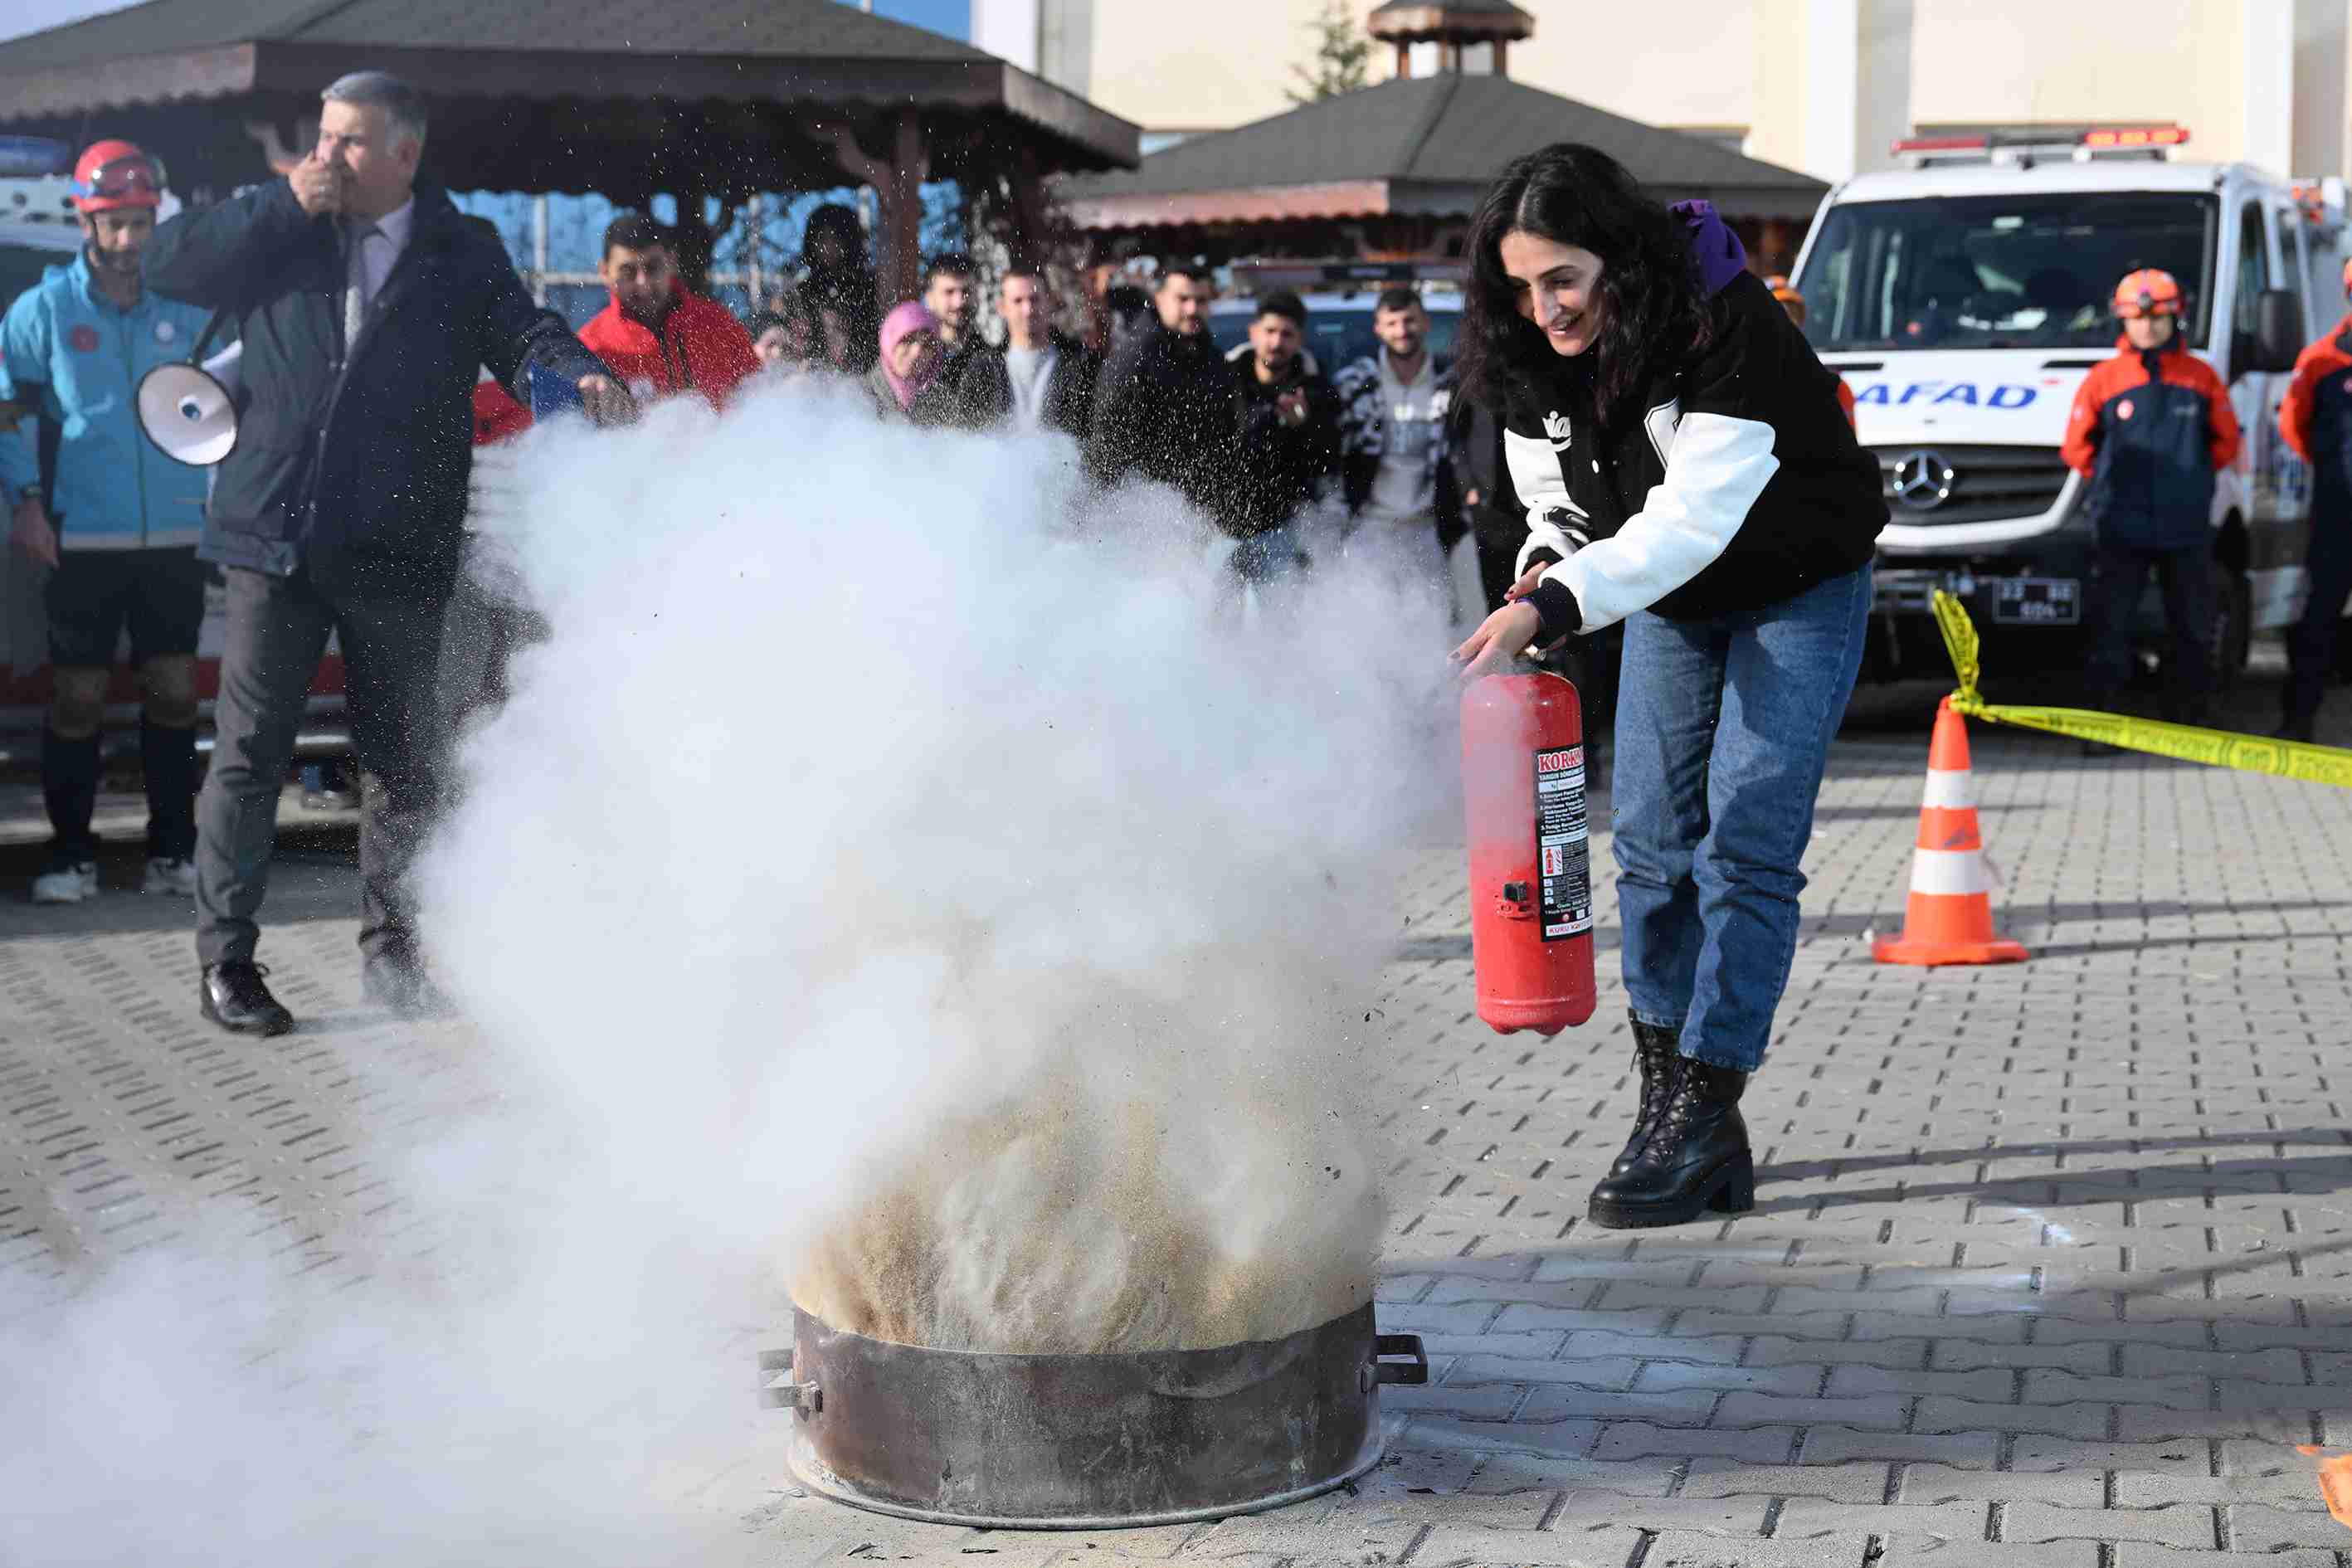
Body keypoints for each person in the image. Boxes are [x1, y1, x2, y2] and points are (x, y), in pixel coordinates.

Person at [141, 70, 633, 1035]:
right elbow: (169, 262)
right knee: (248, 758)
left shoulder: (462, 248)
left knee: (403, 763)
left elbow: (523, 335)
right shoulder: (277, 226)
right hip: (275, 536)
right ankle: (226, 964)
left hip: (398, 545)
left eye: (350, 141)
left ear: (405, 153)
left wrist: (580, 375)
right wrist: (277, 201)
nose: (327, 156)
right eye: (321, 137)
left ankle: (396, 960)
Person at [1451, 144, 1886, 1229]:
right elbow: (1552, 501)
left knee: (1741, 837)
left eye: (1560, 278)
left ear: (1615, 258)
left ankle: (1704, 1096)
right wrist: (1540, 570)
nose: (1541, 307)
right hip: (1669, 595)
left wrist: (1554, 608)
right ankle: (1668, 1095)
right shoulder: (1528, 352)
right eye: (1518, 284)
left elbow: (1692, 520)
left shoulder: (1721, 323)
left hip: (1796, 580)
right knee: (1646, 840)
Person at [0, 139, 216, 904]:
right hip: (79, 535)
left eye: (140, 222)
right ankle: (68, 858)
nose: (129, 240)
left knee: (172, 692)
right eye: (114, 224)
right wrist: (26, 499)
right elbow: (9, 409)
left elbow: (219, 408)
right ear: (87, 222)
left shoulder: (187, 312)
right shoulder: (44, 309)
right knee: (79, 698)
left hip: (175, 538)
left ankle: (172, 853)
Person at [2058, 268, 2240, 733]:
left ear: (2175, 317)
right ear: (2123, 320)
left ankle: (2189, 722)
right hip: (2121, 524)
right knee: (2111, 628)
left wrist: (2189, 483)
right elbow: (2077, 449)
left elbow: (2227, 445)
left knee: (2193, 629)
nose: (2147, 327)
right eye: (2137, 318)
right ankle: (2104, 726)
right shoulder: (2104, 379)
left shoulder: (2201, 378)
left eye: (2157, 317)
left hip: (2186, 526)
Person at [1086, 262, 1239, 527]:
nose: (1192, 309)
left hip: (1201, 518)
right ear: (1159, 299)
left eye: (1200, 300)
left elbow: (1227, 437)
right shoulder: (1133, 358)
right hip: (1143, 517)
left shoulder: (1214, 361)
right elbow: (1106, 445)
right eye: (1183, 299)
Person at [1334, 286, 1461, 594]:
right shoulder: (1355, 384)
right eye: (1392, 323)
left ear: (1426, 323)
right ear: (1378, 329)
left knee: (1432, 628)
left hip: (1428, 529)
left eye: (1410, 320)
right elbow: (1331, 453)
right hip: (1368, 528)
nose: (1402, 331)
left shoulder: (1451, 382)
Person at [2273, 258, 2352, 743]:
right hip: (2339, 514)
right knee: (2318, 619)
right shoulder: (2321, 361)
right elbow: (2293, 427)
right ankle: (2298, 721)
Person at [577, 214, 760, 410]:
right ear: (605, 272)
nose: (643, 284)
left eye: (653, 268)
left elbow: (759, 398)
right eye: (628, 272)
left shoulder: (719, 325)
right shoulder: (589, 347)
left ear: (672, 261)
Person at [1225, 290, 1341, 583]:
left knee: (1279, 625)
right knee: (1212, 624)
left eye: (1287, 334)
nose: (1276, 342)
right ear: (1253, 332)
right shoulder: (1222, 380)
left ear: (1299, 340)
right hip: (1220, 530)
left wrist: (1303, 426)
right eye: (1270, 331)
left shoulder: (1318, 392)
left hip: (1284, 532)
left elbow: (1328, 464)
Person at [957, 265, 1099, 438]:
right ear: (1002, 307)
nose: (1028, 310)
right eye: (1018, 301)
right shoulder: (983, 369)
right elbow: (965, 437)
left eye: (1035, 299)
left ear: (1050, 302)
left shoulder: (1082, 364)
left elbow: (1093, 434)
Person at [799, 204, 877, 374]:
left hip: (865, 380)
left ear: (849, 240)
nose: (828, 246)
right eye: (821, 238)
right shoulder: (804, 292)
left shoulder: (870, 288)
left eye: (835, 238)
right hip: (816, 382)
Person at [1768, 275, 1855, 427]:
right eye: (1780, 313)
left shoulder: (1837, 389)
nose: (1790, 322)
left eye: (1793, 314)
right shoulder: (1742, 385)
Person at [862, 300, 958, 426]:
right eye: (908, 339)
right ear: (890, 340)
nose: (917, 352)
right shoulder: (859, 395)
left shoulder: (942, 402)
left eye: (927, 345)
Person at [923, 254, 981, 394]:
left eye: (966, 291)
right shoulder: (915, 356)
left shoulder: (989, 357)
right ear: (929, 298)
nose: (959, 301)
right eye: (949, 292)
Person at [747, 294, 817, 376]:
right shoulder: (779, 332)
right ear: (791, 321)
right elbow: (758, 349)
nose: (802, 326)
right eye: (797, 320)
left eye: (805, 321)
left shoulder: (812, 341)